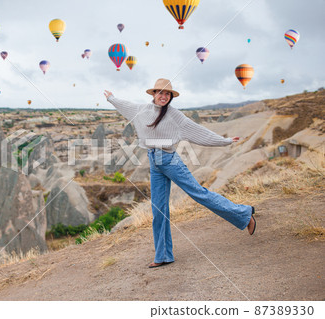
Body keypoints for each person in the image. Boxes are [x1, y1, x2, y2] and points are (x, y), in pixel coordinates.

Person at [104, 78, 256, 269]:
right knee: (158, 209)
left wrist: (223, 141)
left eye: (168, 94)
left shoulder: (175, 116)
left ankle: (244, 214)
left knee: (199, 194)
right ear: (153, 94)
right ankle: (163, 255)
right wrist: (112, 98)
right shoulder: (141, 110)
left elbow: (199, 132)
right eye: (161, 92)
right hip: (153, 161)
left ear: (170, 97)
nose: (164, 96)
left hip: (169, 160)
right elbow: (124, 106)